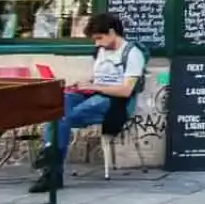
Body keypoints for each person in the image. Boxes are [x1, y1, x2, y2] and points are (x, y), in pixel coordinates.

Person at [29, 12, 147, 193]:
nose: (97, 43)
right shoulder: (101, 51)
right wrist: (83, 85)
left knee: (64, 118)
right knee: (58, 105)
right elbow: (100, 77)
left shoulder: (132, 54)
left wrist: (95, 86)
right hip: (94, 93)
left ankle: (51, 167)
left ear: (111, 32)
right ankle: (52, 164)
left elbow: (125, 91)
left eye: (99, 38)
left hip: (116, 101)